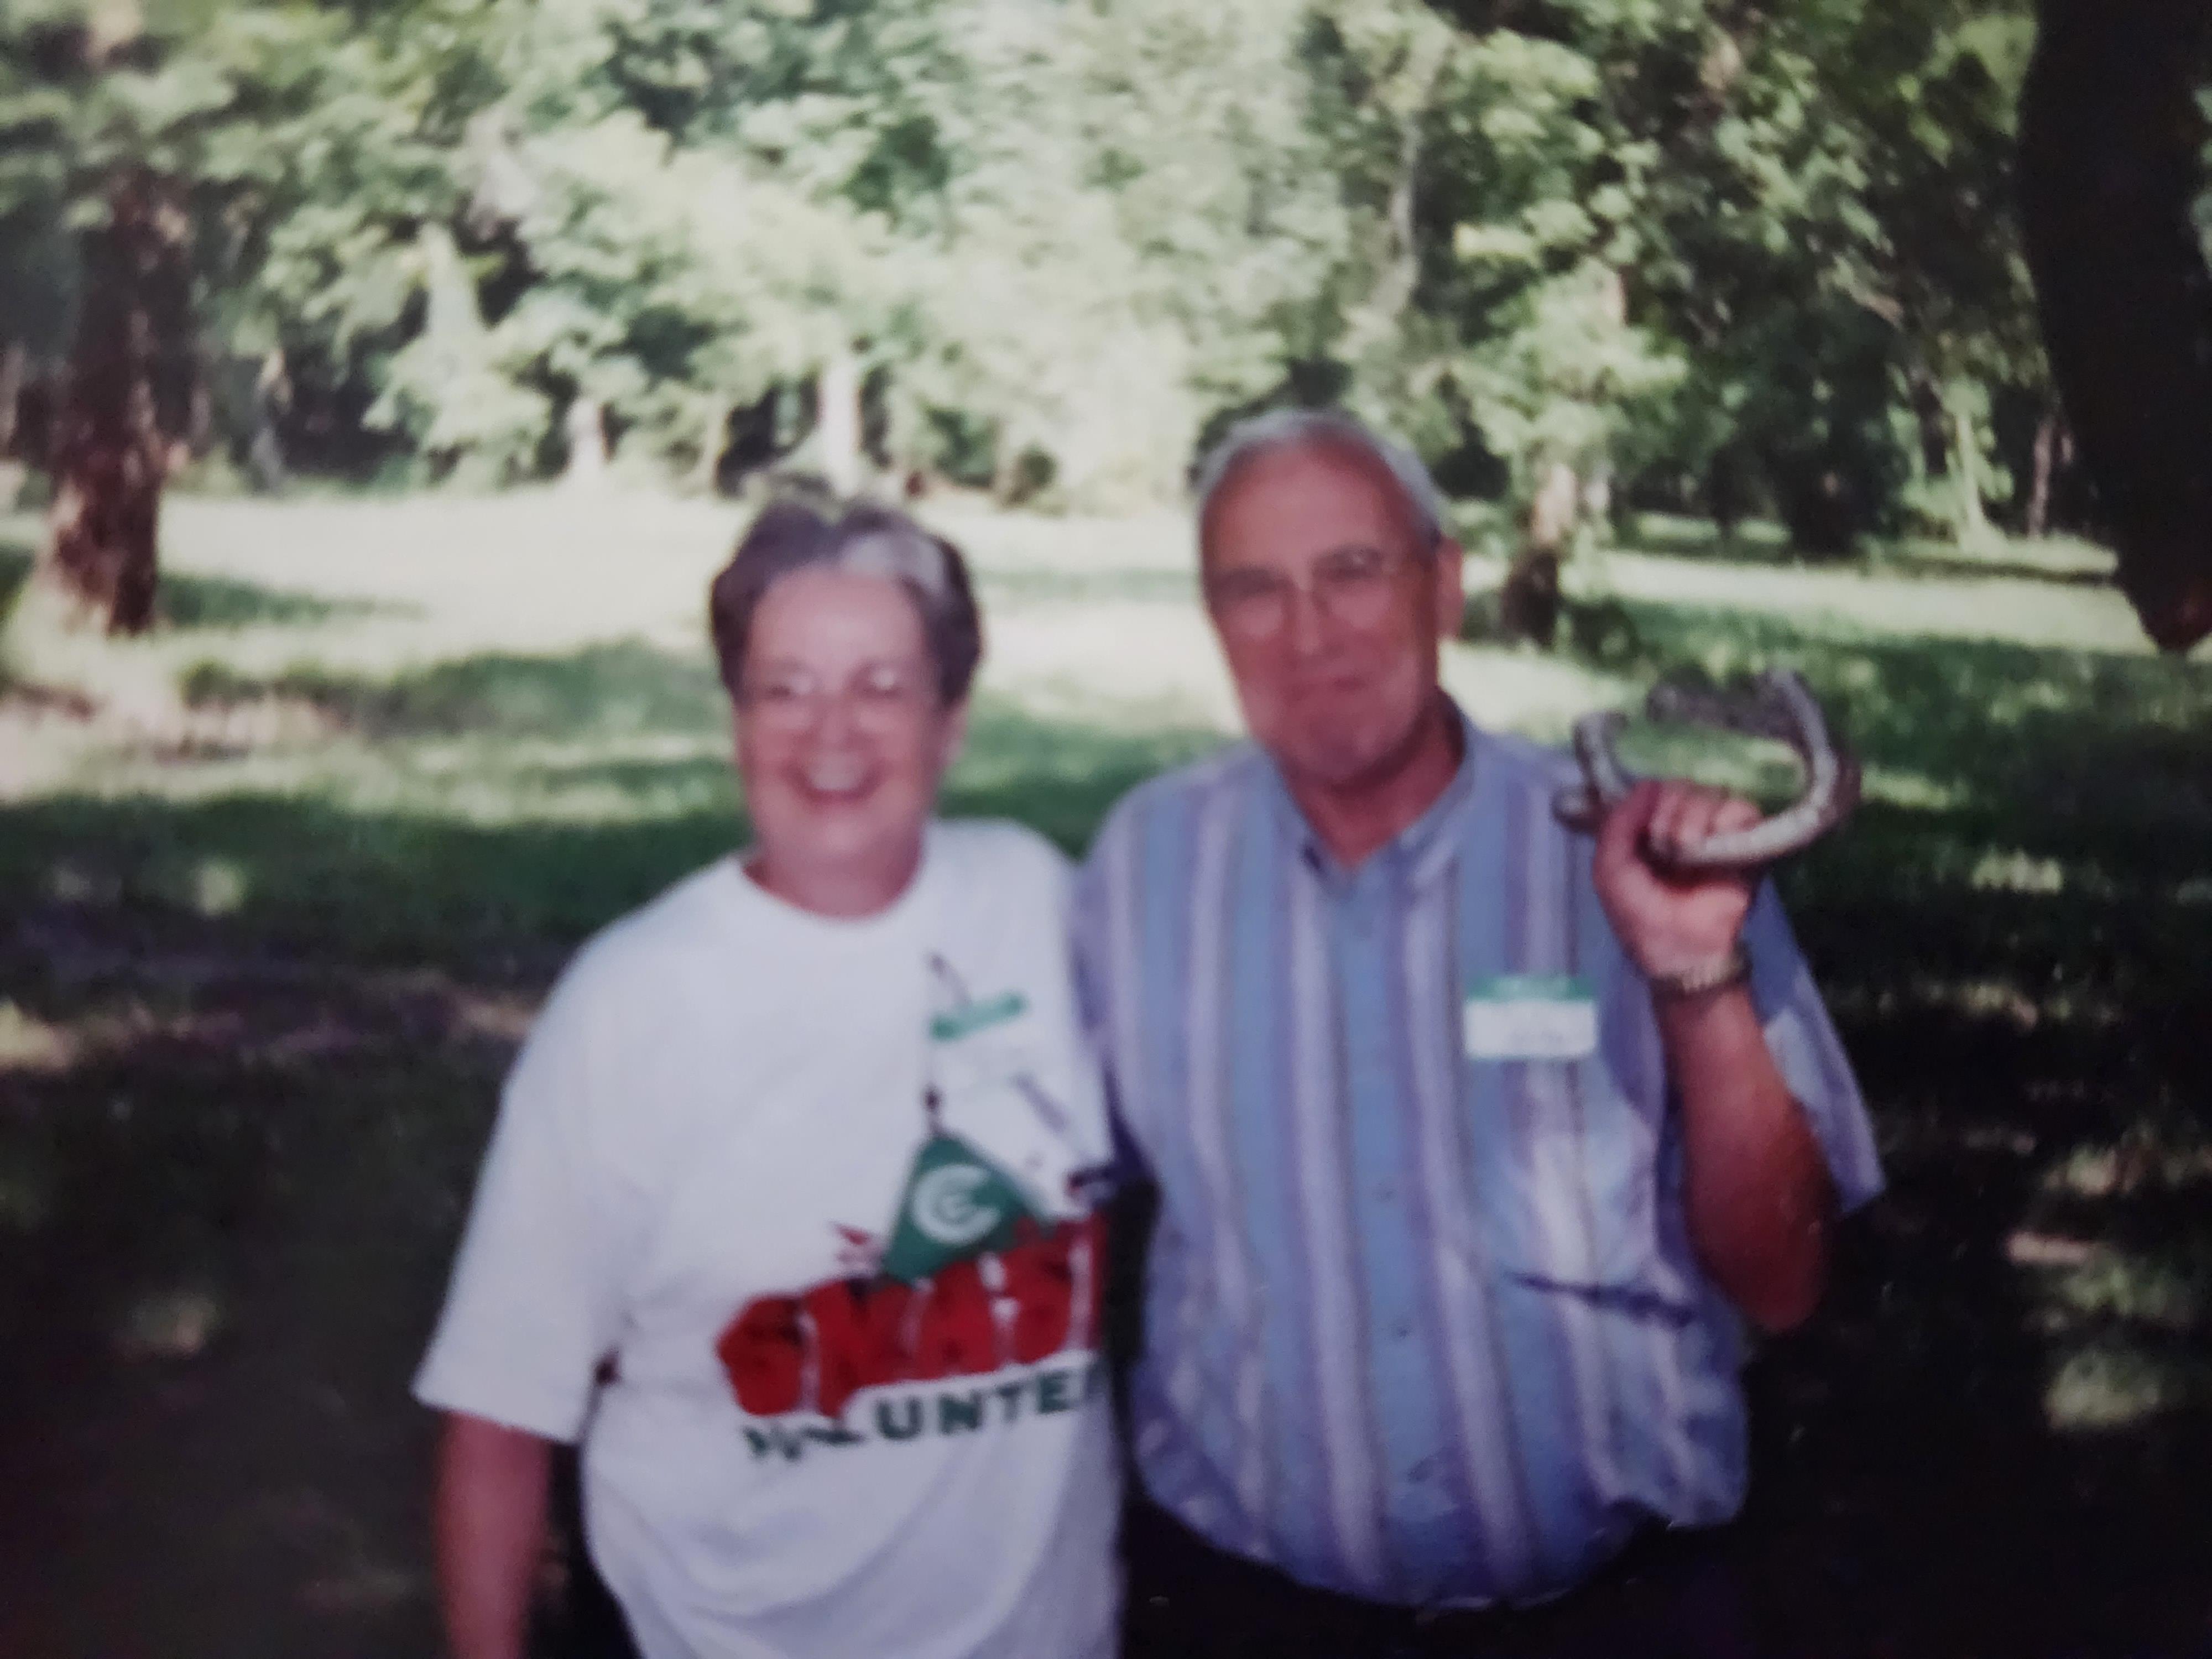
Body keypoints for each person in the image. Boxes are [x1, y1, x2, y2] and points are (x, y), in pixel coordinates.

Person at [1077, 411, 1884, 1656]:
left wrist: (1693, 975)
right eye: (1254, 589)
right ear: (1210, 619)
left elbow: (1784, 1282)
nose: (1307, 634)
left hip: (1622, 1620)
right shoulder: (1141, 866)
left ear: (1443, 586)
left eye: (1352, 570)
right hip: (1244, 1614)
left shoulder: (1643, 857)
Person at [415, 502, 1121, 1659]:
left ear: (950, 722)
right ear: (736, 720)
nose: (828, 735)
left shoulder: (1038, 906)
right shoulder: (631, 1008)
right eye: (784, 688)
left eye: (882, 687)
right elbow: (498, 1420)